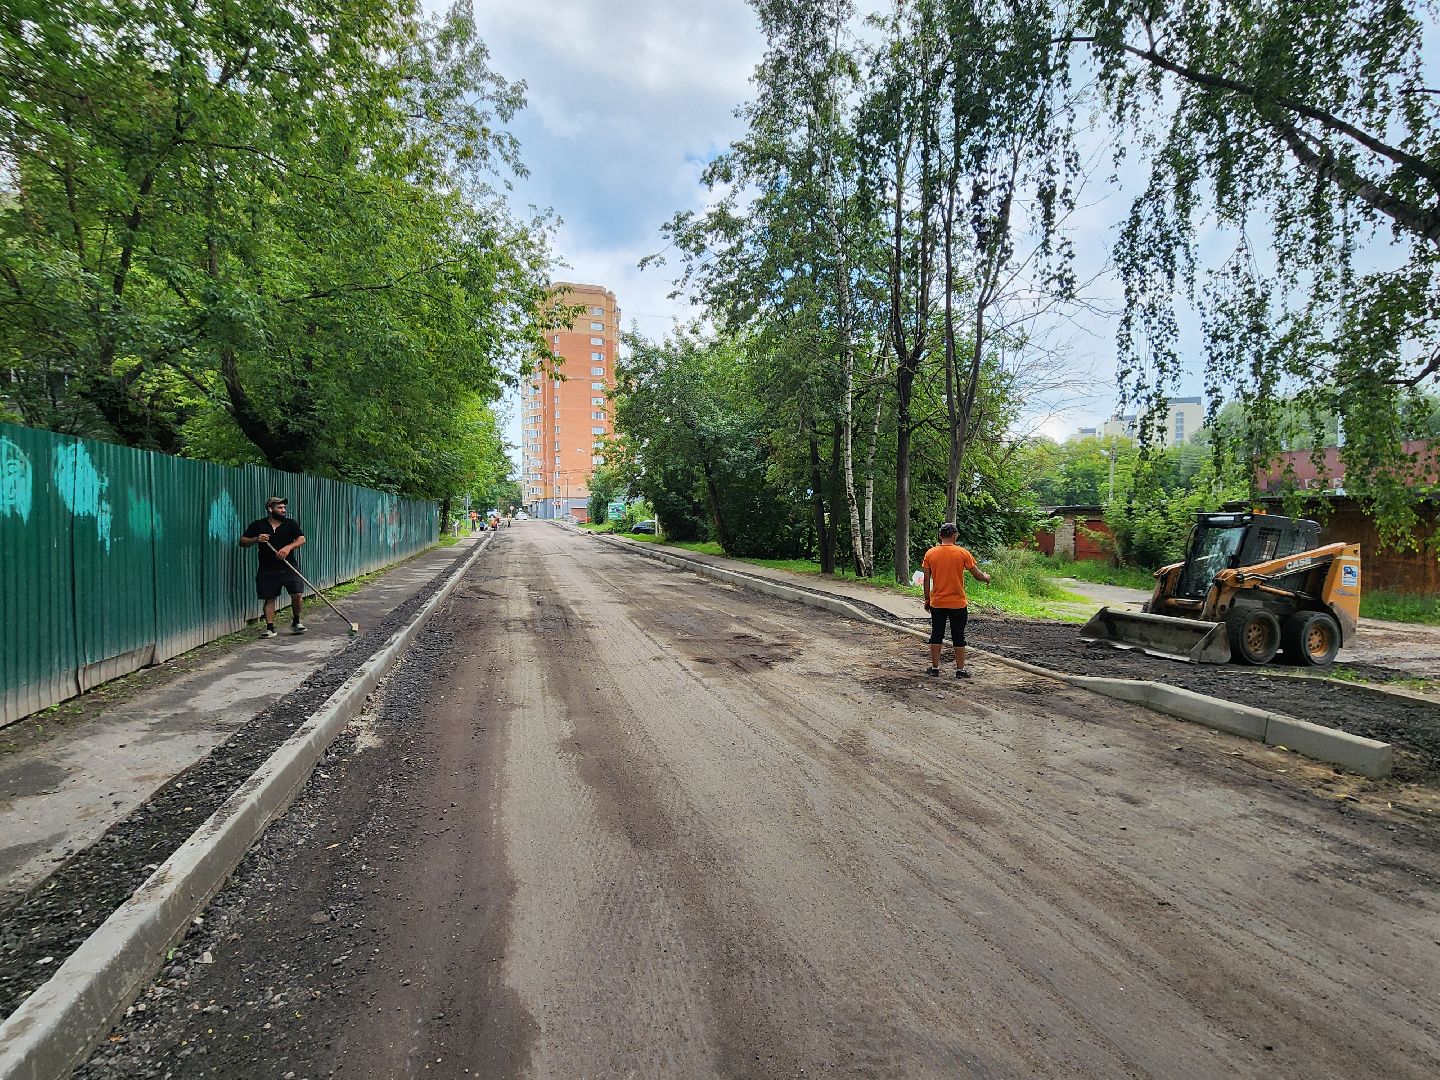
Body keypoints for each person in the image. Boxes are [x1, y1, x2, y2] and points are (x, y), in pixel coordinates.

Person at [921, 522, 991, 678]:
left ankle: (934, 668)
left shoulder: (930, 553)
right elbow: (978, 575)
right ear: (955, 536)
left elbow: (926, 580)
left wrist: (927, 599)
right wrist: (987, 577)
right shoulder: (962, 553)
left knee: (936, 634)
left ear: (940, 536)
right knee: (958, 635)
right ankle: (960, 670)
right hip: (958, 603)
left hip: (937, 602)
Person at [239, 496, 307, 638]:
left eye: (284, 507)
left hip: (288, 565)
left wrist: (288, 548)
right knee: (269, 598)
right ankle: (270, 628)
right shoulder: (258, 525)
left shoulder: (290, 524)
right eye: (280, 508)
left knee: (297, 593)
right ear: (270, 509)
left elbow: (301, 539)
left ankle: (296, 621)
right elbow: (243, 541)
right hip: (267, 567)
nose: (283, 510)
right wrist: (256, 539)